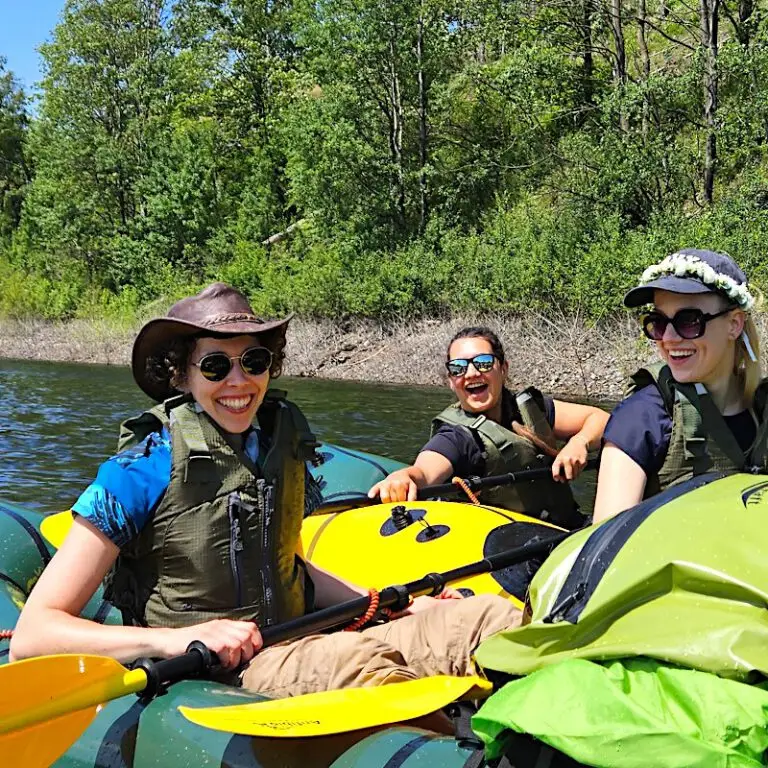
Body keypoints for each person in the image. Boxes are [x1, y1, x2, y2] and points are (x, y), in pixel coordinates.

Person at [10, 283, 520, 702]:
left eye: (253, 361)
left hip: (304, 637)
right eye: (215, 366)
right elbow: (34, 636)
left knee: (488, 618)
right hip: (221, 674)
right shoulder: (137, 471)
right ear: (184, 376)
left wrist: (391, 607)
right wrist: (175, 641)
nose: (239, 380)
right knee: (363, 668)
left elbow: (287, 568)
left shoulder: (277, 444)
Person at [368, 326, 609, 529]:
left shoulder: (528, 409)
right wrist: (404, 477)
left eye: (483, 363)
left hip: (569, 527)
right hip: (513, 547)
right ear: (451, 381)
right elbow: (424, 472)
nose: (471, 373)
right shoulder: (456, 437)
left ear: (503, 369)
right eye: (458, 368)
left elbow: (599, 418)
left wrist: (579, 442)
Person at [593, 248, 767, 524]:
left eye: (689, 321)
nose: (669, 339)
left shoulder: (762, 407)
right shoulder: (642, 417)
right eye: (659, 322)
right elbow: (604, 548)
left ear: (734, 324)